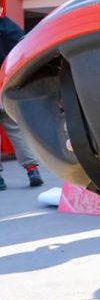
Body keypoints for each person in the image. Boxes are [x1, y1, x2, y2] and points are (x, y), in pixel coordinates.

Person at [0, 15, 43, 190]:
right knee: (15, 129)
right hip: (5, 83)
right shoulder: (6, 26)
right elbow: (24, 42)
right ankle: (32, 170)